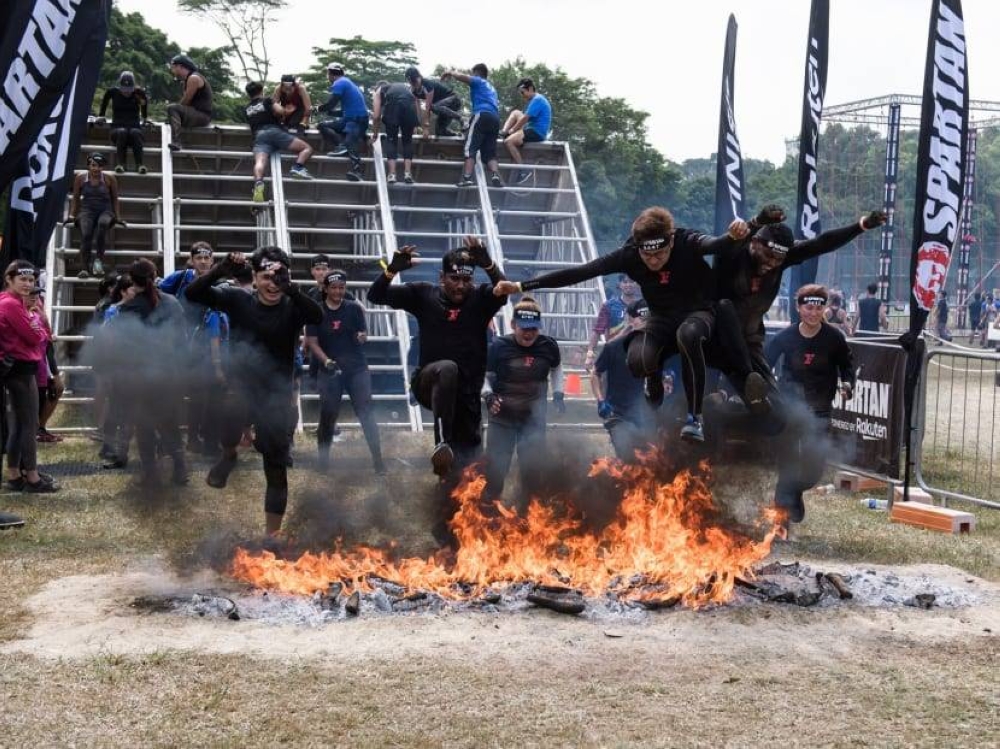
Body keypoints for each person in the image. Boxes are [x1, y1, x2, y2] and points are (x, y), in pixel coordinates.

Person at [494, 206, 767, 443]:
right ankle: (653, 378)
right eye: (647, 256)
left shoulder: (686, 240)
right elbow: (580, 272)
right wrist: (520, 285)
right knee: (637, 359)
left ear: (670, 241)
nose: (653, 261)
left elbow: (716, 244)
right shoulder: (629, 255)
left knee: (689, 333)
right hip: (660, 318)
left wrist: (743, 229)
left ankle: (694, 419)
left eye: (660, 254)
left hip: (697, 312)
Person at [186, 247, 323, 535]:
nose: (272, 284)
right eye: (265, 277)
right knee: (231, 413)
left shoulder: (294, 304)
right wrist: (221, 269)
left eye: (279, 277)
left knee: (276, 467)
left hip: (275, 395)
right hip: (240, 387)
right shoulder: (239, 299)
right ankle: (228, 454)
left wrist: (292, 289)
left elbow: (317, 316)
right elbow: (193, 294)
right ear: (255, 278)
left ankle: (271, 536)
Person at [367, 237, 508, 477]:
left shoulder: (480, 298)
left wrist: (489, 265)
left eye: (466, 280)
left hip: (467, 393)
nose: (461, 286)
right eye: (454, 279)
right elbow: (376, 295)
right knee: (447, 368)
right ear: (442, 278)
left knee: (469, 468)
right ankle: (442, 443)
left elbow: (504, 291)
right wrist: (391, 270)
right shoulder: (423, 294)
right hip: (429, 382)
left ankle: (448, 498)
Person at [713, 209, 885, 398]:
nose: (771, 263)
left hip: (749, 337)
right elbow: (719, 248)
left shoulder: (784, 255)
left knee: (772, 405)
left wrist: (861, 225)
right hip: (717, 332)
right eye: (768, 256)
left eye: (778, 259)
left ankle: (731, 400)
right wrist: (754, 223)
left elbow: (821, 243)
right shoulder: (737, 252)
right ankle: (710, 405)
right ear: (754, 244)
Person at [766, 285, 855, 531]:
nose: (813, 313)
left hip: (820, 410)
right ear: (798, 307)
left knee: (814, 469)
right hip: (790, 411)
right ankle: (780, 521)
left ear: (824, 309)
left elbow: (847, 366)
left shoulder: (834, 337)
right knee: (789, 462)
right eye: (808, 307)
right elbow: (763, 364)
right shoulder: (785, 337)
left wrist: (847, 384)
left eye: (818, 308)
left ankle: (794, 493)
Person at [108, 259, 188, 486]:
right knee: (170, 423)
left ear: (133, 280)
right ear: (154, 276)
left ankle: (151, 474)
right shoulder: (172, 302)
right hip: (171, 374)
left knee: (144, 425)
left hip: (141, 376)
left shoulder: (129, 308)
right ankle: (180, 471)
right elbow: (182, 340)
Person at [481, 296, 564, 506]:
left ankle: (529, 511)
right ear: (513, 325)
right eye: (524, 328)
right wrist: (488, 396)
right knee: (496, 468)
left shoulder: (549, 346)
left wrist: (559, 394)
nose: (529, 333)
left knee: (532, 469)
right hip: (503, 418)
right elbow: (484, 376)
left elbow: (556, 368)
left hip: (533, 420)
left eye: (534, 329)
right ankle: (489, 508)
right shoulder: (499, 346)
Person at [305, 269, 385, 474]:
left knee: (365, 411)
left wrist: (362, 337)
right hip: (330, 369)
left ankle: (378, 460)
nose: (338, 292)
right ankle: (323, 461)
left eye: (341, 288)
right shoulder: (316, 312)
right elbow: (312, 342)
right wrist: (326, 361)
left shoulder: (354, 309)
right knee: (328, 414)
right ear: (325, 288)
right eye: (334, 288)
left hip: (357, 368)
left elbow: (363, 333)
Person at [1, 261, 58, 493]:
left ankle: (15, 473)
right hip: (20, 368)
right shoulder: (11, 304)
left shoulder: (17, 303)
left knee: (18, 423)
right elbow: (38, 337)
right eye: (22, 279)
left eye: (31, 280)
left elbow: (46, 335)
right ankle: (32, 477)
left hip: (20, 367)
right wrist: (36, 317)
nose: (27, 284)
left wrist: (37, 317)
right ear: (9, 279)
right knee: (29, 424)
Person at [590, 299, 659, 461]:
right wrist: (601, 401)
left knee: (650, 460)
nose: (645, 325)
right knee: (627, 456)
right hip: (617, 412)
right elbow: (595, 374)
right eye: (641, 320)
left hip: (644, 413)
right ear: (630, 320)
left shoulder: (656, 347)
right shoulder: (613, 347)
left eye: (649, 320)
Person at [244, 81, 314, 203]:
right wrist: (288, 110)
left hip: (259, 136)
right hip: (274, 132)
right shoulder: (267, 100)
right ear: (261, 91)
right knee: (306, 148)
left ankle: (258, 182)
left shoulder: (246, 108)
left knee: (260, 162)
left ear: (248, 94)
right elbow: (280, 111)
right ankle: (297, 167)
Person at [441, 64, 503, 188]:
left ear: (476, 73)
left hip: (482, 115)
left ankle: (467, 178)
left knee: (470, 148)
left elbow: (463, 77)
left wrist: (450, 72)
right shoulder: (492, 88)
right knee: (490, 153)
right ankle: (495, 175)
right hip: (495, 119)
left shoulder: (479, 81)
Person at [66, 152, 121, 278]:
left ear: (103, 167)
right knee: (86, 234)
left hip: (105, 210)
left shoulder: (110, 178)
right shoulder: (80, 178)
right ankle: (84, 267)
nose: (96, 168)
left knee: (102, 225)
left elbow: (115, 199)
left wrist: (118, 217)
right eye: (93, 165)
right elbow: (75, 198)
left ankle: (98, 261)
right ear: (89, 165)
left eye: (99, 166)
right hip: (87, 210)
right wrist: (72, 215)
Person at [316, 62, 368, 182]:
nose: (327, 76)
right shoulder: (347, 82)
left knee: (351, 143)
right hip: (349, 119)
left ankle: (357, 171)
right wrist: (329, 112)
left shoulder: (339, 83)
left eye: (327, 74)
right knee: (322, 125)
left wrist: (318, 109)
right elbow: (343, 111)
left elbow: (331, 104)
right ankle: (341, 146)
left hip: (357, 121)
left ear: (330, 74)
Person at [500, 78, 552, 185]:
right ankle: (503, 133)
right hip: (531, 128)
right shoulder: (536, 100)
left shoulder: (538, 100)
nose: (522, 95)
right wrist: (510, 131)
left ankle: (523, 171)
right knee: (515, 112)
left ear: (531, 89)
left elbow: (525, 119)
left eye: (523, 92)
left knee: (508, 142)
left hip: (536, 132)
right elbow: (522, 117)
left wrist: (513, 131)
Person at [370, 79, 421, 185]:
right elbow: (415, 101)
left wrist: (375, 135)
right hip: (409, 109)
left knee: (391, 140)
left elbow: (376, 116)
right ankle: (407, 173)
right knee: (407, 141)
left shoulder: (379, 91)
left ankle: (392, 174)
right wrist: (415, 123)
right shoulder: (404, 87)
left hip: (394, 108)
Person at [97, 71, 149, 174]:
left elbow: (144, 105)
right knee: (122, 132)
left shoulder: (138, 93)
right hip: (117, 129)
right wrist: (101, 116)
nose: (126, 92)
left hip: (134, 128)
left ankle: (140, 165)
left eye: (129, 90)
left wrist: (144, 117)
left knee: (135, 132)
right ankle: (121, 164)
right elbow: (104, 102)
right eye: (124, 90)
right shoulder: (113, 92)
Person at [585, 274, 641, 367]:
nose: (628, 285)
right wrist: (589, 354)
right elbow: (597, 331)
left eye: (631, 282)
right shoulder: (609, 306)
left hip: (636, 355)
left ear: (636, 284)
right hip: (614, 354)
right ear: (619, 285)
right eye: (625, 282)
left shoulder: (643, 306)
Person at [31, 292, 64, 444]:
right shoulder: (21, 311)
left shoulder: (37, 311)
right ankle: (36, 431)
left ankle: (39, 429)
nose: (35, 299)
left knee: (55, 390)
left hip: (42, 362)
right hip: (31, 366)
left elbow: (46, 340)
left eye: (36, 296)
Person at [166, 54, 213, 152]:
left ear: (181, 66)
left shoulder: (193, 78)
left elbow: (186, 101)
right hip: (195, 113)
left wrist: (174, 113)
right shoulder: (186, 81)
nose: (172, 71)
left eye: (174, 68)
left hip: (202, 115)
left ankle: (177, 142)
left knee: (172, 108)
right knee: (173, 110)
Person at [405, 67, 462, 137]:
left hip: (453, 100)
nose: (414, 84)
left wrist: (426, 128)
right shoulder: (413, 91)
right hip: (443, 109)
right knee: (440, 132)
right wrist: (416, 125)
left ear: (419, 77)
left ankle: (461, 118)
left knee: (434, 107)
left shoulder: (427, 84)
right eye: (411, 83)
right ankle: (457, 135)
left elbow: (428, 107)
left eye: (415, 81)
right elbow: (417, 111)